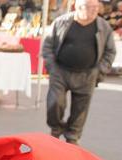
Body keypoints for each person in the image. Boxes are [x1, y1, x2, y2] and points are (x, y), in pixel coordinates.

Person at [43, 0, 115, 144]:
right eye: (89, 7)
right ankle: (56, 129)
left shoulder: (103, 26)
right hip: (61, 71)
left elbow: (110, 51)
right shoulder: (61, 22)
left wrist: (100, 71)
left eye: (96, 7)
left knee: (81, 109)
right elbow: (47, 45)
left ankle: (73, 136)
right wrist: (52, 66)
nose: (94, 11)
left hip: (88, 73)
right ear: (77, 6)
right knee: (55, 102)